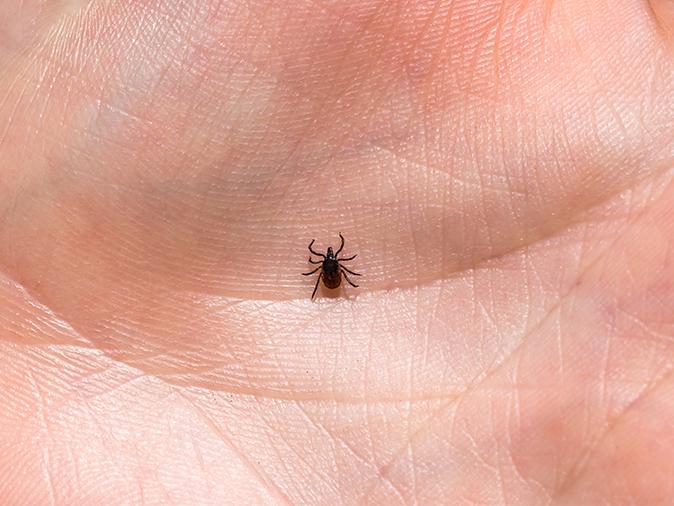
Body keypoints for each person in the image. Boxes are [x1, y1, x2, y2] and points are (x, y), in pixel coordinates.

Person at [1, 1, 673, 503]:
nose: (330, 264)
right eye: (330, 262)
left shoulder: (325, 265)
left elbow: (327, 262)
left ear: (329, 264)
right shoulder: (338, 265)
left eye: (330, 263)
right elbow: (339, 262)